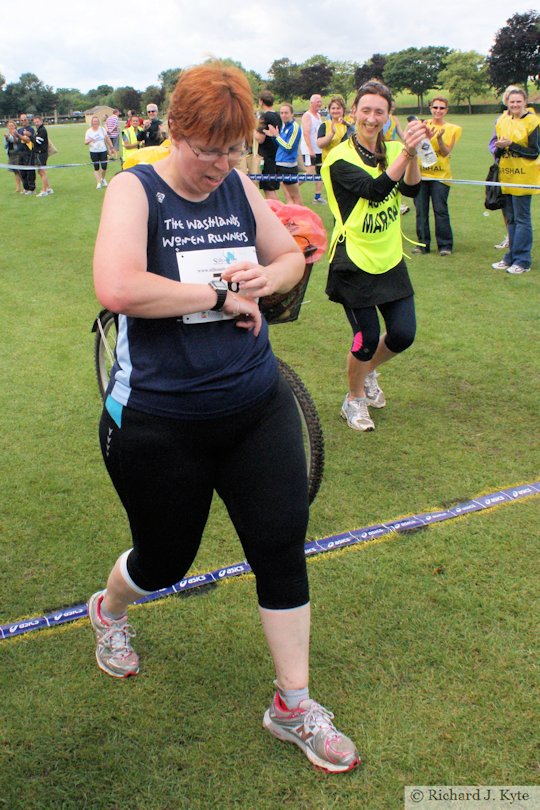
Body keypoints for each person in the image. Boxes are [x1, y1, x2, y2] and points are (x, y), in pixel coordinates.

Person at [88, 61, 360, 774]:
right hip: (158, 420)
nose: (220, 164)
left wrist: (272, 278)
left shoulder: (240, 184)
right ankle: (110, 610)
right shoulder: (134, 187)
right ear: (176, 131)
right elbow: (118, 286)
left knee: (279, 543)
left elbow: (289, 259)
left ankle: (293, 704)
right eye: (207, 148)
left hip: (255, 403)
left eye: (233, 148)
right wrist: (216, 293)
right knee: (164, 560)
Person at [321, 81, 429, 432]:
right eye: (365, 110)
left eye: (379, 112)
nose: (371, 118)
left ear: (388, 116)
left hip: (389, 258)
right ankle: (353, 400)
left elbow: (410, 187)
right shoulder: (339, 158)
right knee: (365, 338)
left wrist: (411, 153)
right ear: (354, 112)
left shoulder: (396, 148)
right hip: (353, 260)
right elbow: (374, 190)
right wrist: (405, 154)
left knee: (403, 334)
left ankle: (367, 372)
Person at [491, 88, 539, 275]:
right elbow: (497, 153)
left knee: (522, 219)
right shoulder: (502, 121)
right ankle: (510, 256)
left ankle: (523, 260)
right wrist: (501, 147)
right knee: (510, 219)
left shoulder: (533, 122)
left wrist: (511, 144)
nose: (515, 105)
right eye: (512, 102)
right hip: (506, 176)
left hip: (525, 177)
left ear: (525, 102)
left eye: (519, 102)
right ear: (507, 103)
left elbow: (534, 151)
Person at [412, 97, 462, 256]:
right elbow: (414, 145)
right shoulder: (422, 125)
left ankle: (445, 245)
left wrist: (439, 138)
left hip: (441, 176)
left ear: (446, 110)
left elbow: (446, 152)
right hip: (421, 175)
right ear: (430, 108)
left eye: (442, 108)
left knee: (440, 210)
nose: (438, 111)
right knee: (421, 210)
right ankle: (422, 245)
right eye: (435, 107)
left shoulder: (453, 129)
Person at [264, 104, 303, 205]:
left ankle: (302, 219)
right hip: (280, 164)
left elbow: (289, 147)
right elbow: (281, 144)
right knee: (289, 196)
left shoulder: (294, 127)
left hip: (288, 166)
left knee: (295, 197)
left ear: (292, 114)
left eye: (286, 113)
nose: (283, 115)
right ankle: (291, 219)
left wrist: (276, 136)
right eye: (281, 113)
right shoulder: (284, 126)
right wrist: (273, 136)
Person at [254, 90, 281, 200]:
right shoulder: (278, 116)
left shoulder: (265, 117)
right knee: (272, 189)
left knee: (269, 190)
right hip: (276, 155)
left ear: (261, 102)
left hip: (267, 157)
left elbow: (260, 139)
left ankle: (277, 215)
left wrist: (252, 129)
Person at [301, 94, 325, 203]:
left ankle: (317, 197)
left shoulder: (319, 116)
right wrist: (310, 150)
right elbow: (306, 133)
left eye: (320, 102)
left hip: (319, 149)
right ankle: (293, 187)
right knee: (309, 172)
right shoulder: (307, 116)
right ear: (311, 103)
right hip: (309, 150)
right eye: (317, 102)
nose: (319, 104)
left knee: (321, 173)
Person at [316, 96, 353, 163]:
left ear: (343, 110)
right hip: (330, 163)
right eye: (333, 108)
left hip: (347, 162)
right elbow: (320, 144)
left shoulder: (349, 123)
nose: (335, 111)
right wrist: (331, 134)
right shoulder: (324, 125)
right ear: (329, 111)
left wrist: (345, 123)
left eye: (338, 108)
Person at [85, 115, 114, 189]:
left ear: (98, 122)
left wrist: (111, 147)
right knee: (96, 167)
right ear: (92, 122)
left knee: (104, 167)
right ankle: (98, 183)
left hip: (103, 150)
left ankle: (103, 178)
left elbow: (107, 138)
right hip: (93, 151)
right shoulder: (89, 131)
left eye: (97, 121)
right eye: (94, 121)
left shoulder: (102, 129)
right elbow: (85, 142)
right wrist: (90, 140)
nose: (95, 122)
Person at [33, 115, 53, 197]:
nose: (36, 123)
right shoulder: (38, 130)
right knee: (40, 172)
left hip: (41, 153)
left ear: (41, 121)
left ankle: (44, 190)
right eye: (35, 122)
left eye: (37, 122)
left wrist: (31, 137)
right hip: (38, 153)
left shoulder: (42, 130)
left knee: (42, 171)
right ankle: (48, 188)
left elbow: (38, 141)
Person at [17, 114, 36, 195]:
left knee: (30, 171)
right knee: (22, 171)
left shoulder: (30, 129)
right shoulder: (19, 130)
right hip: (20, 152)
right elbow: (16, 140)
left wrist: (18, 135)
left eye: (25, 120)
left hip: (29, 152)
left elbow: (27, 140)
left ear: (28, 120)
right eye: (22, 120)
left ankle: (31, 188)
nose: (23, 121)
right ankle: (25, 188)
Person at [4, 121, 22, 193]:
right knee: (15, 172)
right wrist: (6, 139)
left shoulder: (17, 133)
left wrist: (9, 138)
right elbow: (5, 146)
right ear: (7, 127)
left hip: (18, 153)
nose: (11, 127)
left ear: (15, 126)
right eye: (9, 126)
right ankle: (18, 187)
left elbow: (16, 142)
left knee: (20, 170)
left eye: (12, 125)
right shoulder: (7, 134)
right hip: (11, 154)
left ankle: (26, 186)